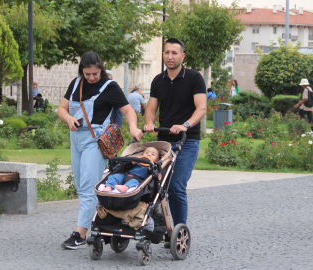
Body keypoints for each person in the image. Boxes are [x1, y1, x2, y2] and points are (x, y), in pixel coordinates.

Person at [57, 51, 143, 249]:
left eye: (95, 73)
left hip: (95, 141)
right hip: (76, 139)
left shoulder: (109, 86)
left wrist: (132, 127)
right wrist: (68, 118)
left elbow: (128, 110)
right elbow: (62, 108)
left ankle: (79, 234)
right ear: (82, 71)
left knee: (88, 187)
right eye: (87, 74)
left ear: (101, 69)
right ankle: (99, 221)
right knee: (81, 186)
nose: (92, 77)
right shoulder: (75, 84)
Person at [144, 38, 207, 231]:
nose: (170, 57)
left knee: (176, 187)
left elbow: (202, 107)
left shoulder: (194, 78)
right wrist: (149, 122)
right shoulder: (158, 80)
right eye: (166, 52)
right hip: (163, 142)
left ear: (182, 56)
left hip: (187, 141)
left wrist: (185, 125)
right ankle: (161, 225)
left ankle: (180, 231)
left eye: (174, 53)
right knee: (155, 186)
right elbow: (151, 108)